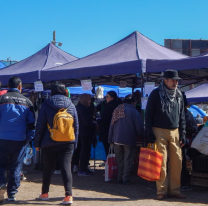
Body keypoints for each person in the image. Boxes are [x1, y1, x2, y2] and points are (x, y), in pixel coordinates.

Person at [34, 81, 79, 205]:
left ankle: (44, 193)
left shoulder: (46, 105)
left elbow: (40, 125)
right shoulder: (71, 105)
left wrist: (37, 143)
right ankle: (68, 196)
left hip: (49, 141)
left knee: (48, 168)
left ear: (51, 92)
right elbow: (76, 125)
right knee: (66, 168)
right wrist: (75, 143)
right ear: (65, 92)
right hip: (68, 141)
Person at [145, 70, 186, 200]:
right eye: (173, 80)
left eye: (177, 80)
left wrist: (183, 133)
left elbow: (182, 115)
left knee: (177, 161)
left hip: (175, 131)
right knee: (161, 162)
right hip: (159, 130)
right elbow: (148, 114)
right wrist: (149, 132)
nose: (176, 82)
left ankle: (174, 190)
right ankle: (161, 191)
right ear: (165, 80)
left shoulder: (179, 94)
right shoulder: (156, 93)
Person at [0, 76, 35, 203]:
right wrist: (28, 139)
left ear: (8, 86)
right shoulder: (27, 102)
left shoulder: (1, 99)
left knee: (1, 165)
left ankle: (1, 184)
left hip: (2, 138)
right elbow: (32, 124)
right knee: (15, 166)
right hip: (19, 140)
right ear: (20, 86)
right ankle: (12, 194)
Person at [108, 94, 144, 184]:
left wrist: (110, 139)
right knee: (128, 160)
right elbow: (139, 127)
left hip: (116, 139)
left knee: (119, 160)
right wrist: (143, 136)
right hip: (129, 139)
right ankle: (125, 179)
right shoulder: (134, 111)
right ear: (132, 102)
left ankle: (119, 178)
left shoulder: (117, 110)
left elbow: (111, 126)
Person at [75, 94, 97, 176]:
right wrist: (95, 124)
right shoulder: (83, 109)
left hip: (81, 132)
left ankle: (83, 168)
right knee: (85, 151)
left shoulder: (78, 108)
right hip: (85, 133)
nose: (90, 101)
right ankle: (82, 169)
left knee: (83, 151)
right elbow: (86, 123)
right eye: (89, 100)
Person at [99, 91, 122, 158]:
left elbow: (105, 120)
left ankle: (111, 167)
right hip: (117, 133)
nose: (106, 98)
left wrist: (98, 122)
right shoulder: (119, 106)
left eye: (107, 97)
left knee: (109, 152)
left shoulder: (109, 107)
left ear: (112, 97)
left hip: (107, 132)